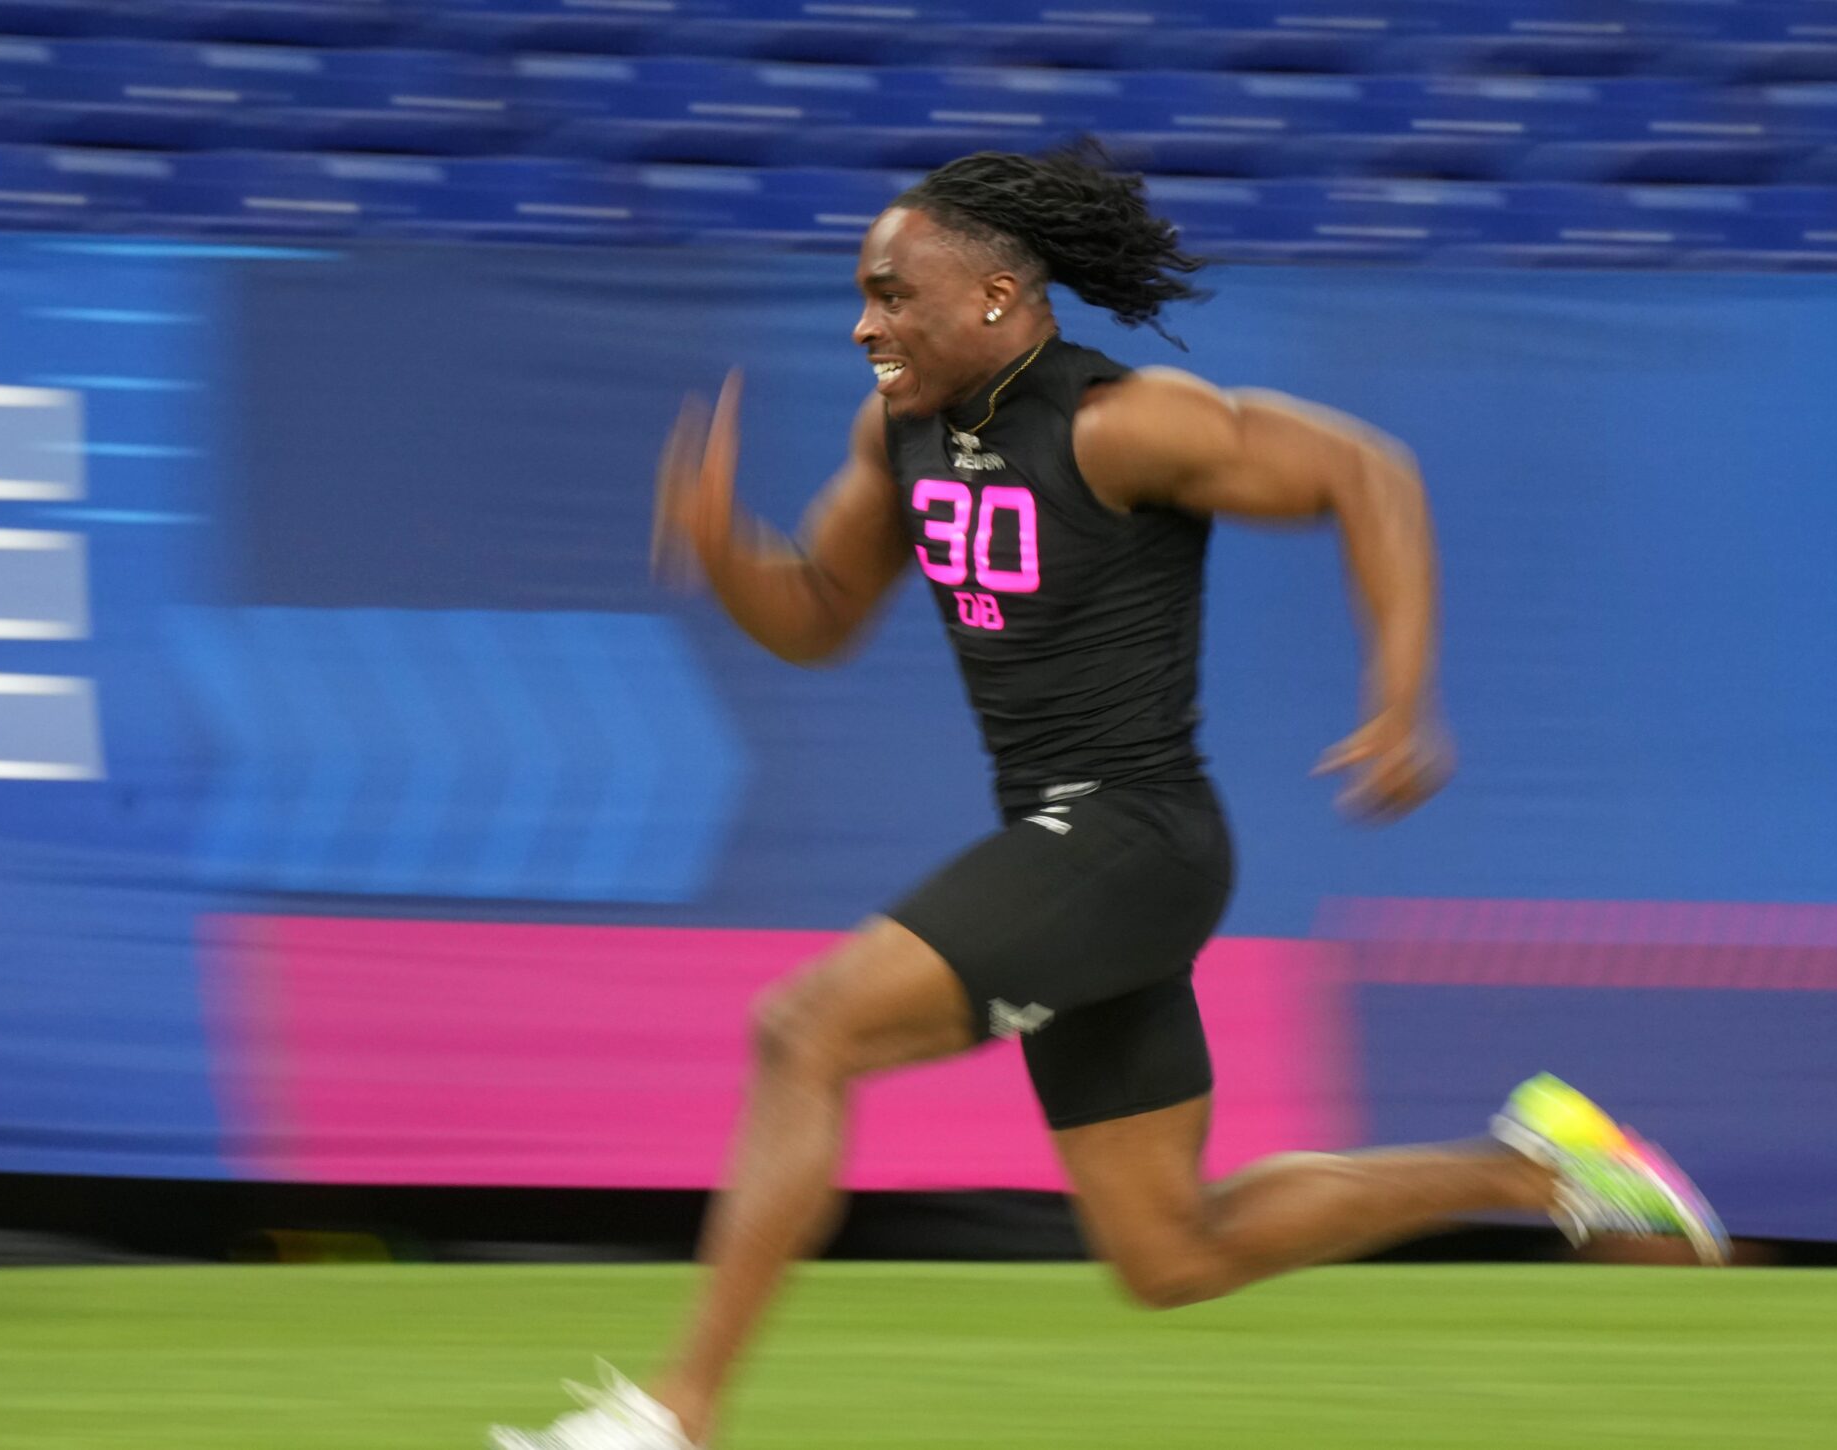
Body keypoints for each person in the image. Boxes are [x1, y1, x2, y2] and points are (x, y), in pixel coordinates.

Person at [490, 142, 1725, 1450]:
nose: (864, 325)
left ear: (994, 298)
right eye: (861, 297)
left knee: (806, 1032)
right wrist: (726, 549)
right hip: (1073, 848)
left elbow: (1368, 473)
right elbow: (817, 611)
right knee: (1171, 1253)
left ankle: (674, 1414)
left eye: (892, 295)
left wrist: (1401, 699)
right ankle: (1546, 1170)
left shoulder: (1118, 423)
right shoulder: (899, 431)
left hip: (1134, 835)